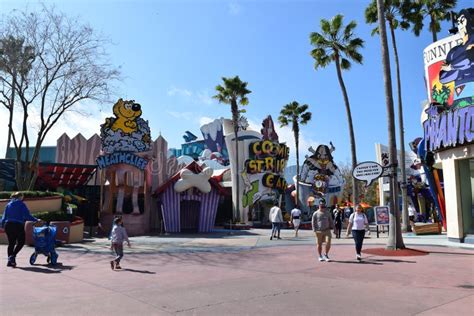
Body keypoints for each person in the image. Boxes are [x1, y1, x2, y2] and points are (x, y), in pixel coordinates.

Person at [1, 192, 39, 267]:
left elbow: (4, 216)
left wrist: (2, 225)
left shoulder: (8, 204)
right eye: (22, 197)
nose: (23, 198)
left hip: (8, 225)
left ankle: (10, 261)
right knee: (21, 242)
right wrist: (36, 219)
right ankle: (13, 256)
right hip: (17, 225)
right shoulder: (21, 204)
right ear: (20, 197)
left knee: (11, 243)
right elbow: (27, 215)